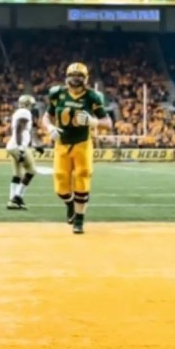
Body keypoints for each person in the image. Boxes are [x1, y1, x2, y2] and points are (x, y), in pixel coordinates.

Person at [42, 63, 112, 234]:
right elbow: (46, 116)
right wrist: (50, 128)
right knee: (60, 185)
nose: (75, 79)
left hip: (82, 143)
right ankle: (70, 204)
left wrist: (93, 122)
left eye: (79, 75)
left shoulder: (92, 96)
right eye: (72, 75)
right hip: (62, 144)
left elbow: (108, 123)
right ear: (66, 76)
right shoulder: (57, 93)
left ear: (85, 78)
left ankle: (79, 220)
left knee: (82, 177)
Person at [6, 95, 37, 210]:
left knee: (17, 175)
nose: (32, 107)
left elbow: (23, 131)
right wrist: (20, 147)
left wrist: (34, 144)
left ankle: (12, 201)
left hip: (12, 146)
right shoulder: (24, 112)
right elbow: (19, 129)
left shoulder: (19, 112)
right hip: (17, 146)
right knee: (32, 171)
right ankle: (17, 197)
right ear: (28, 104)